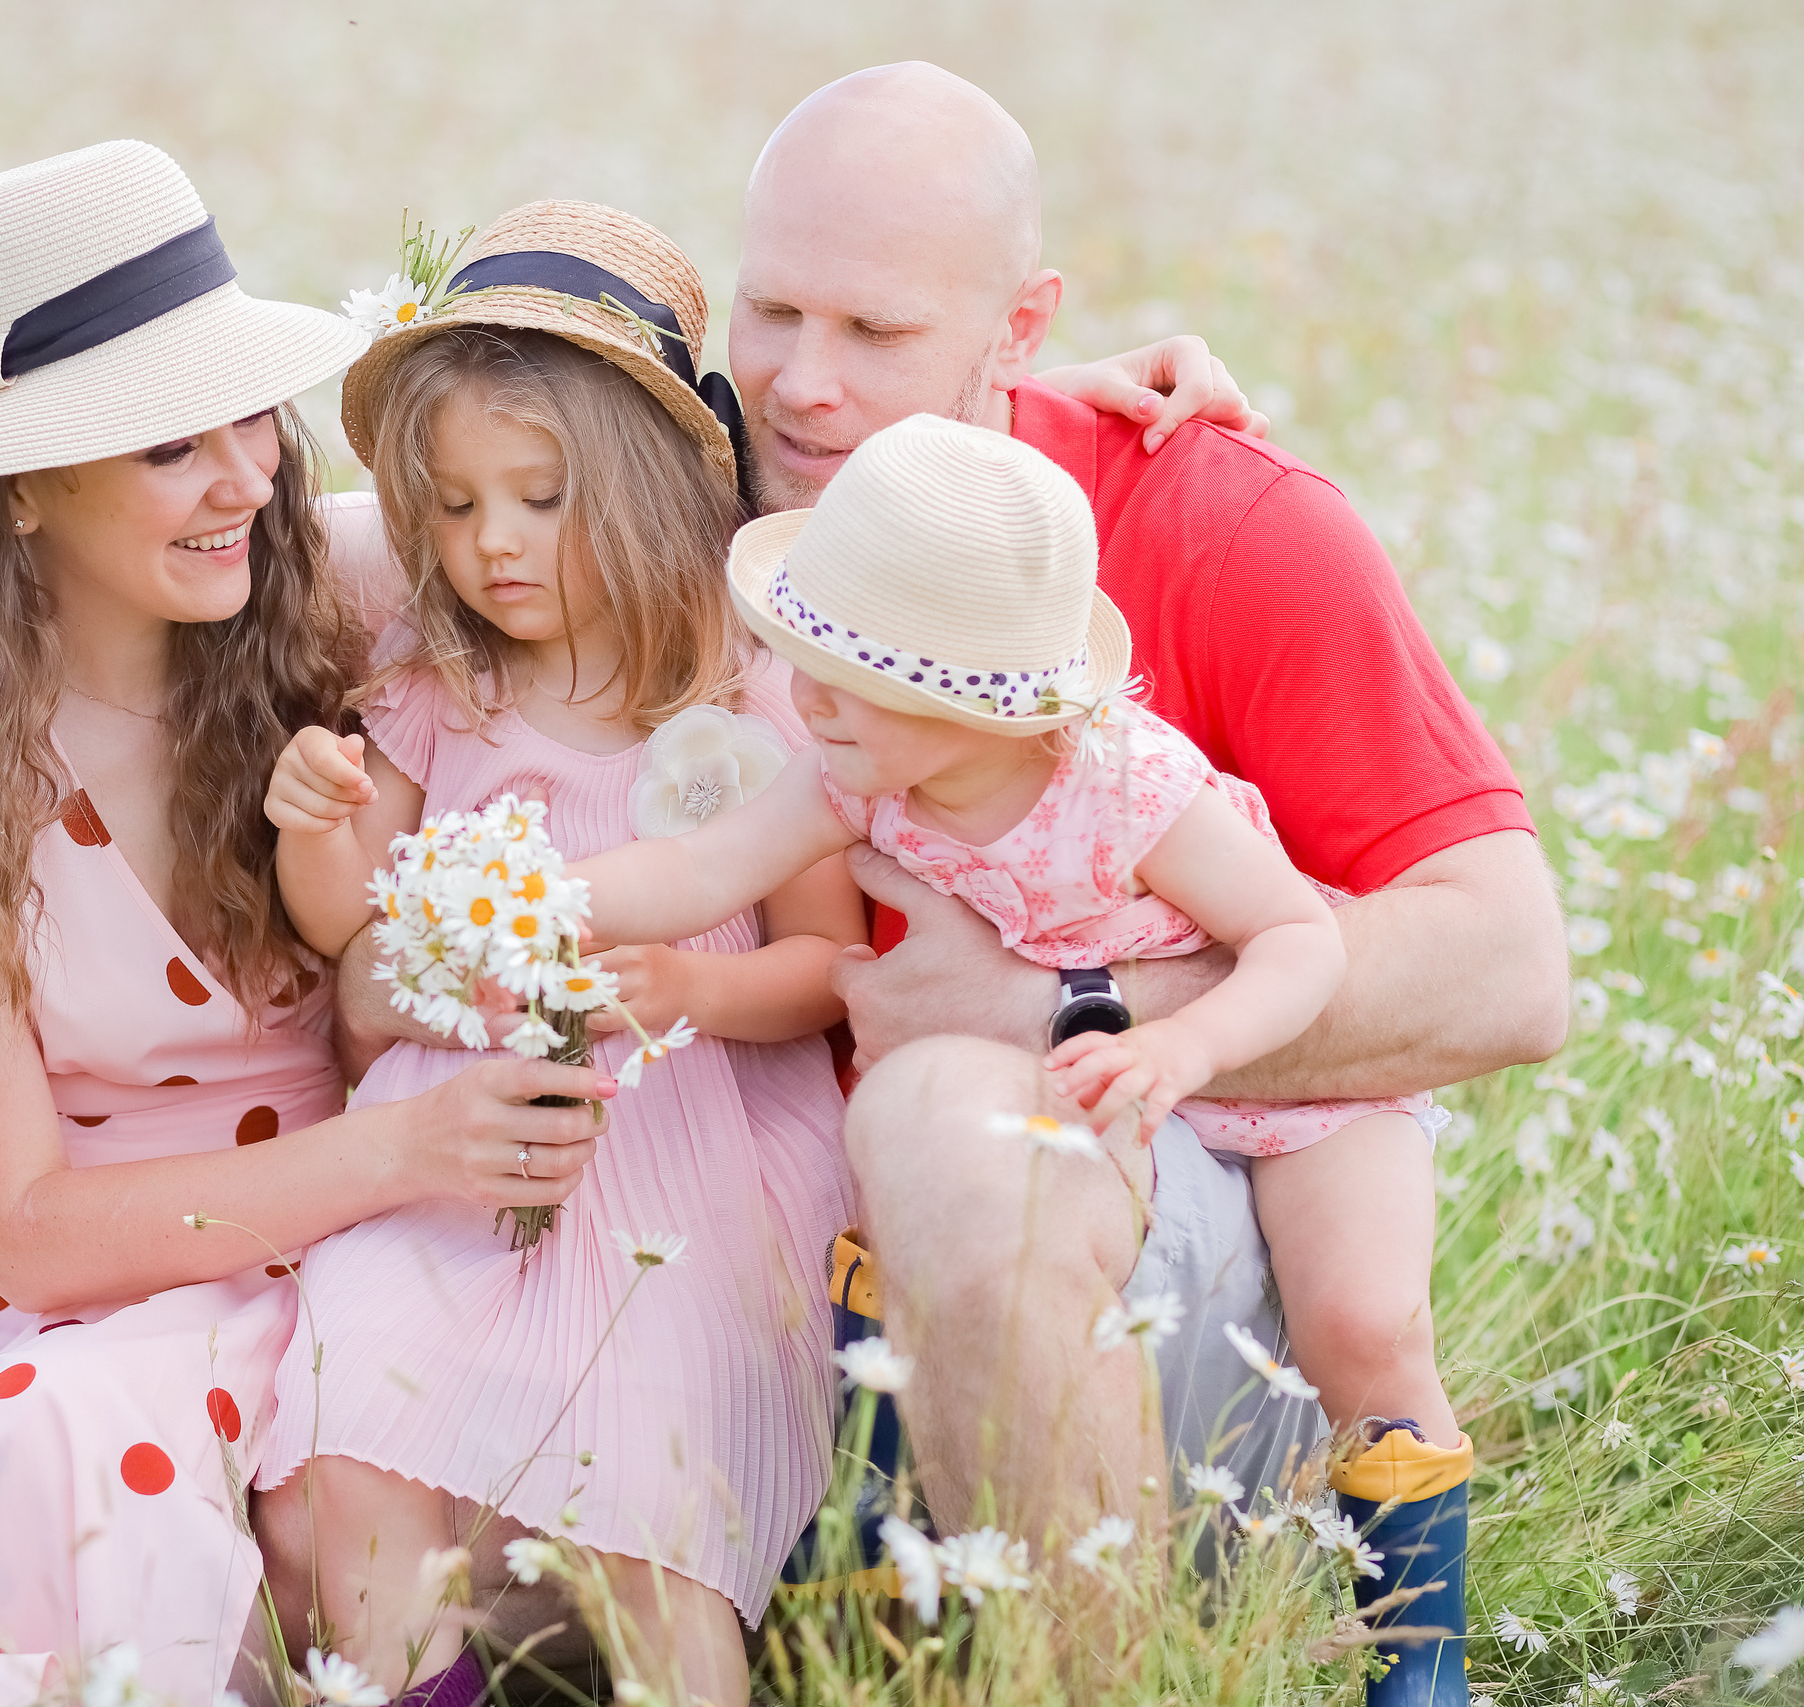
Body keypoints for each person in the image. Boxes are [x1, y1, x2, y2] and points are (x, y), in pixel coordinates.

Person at [0, 141, 615, 1707]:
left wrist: (1041, 402)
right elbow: (26, 1229)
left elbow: (688, 528)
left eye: (250, 416)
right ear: (22, 481)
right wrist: (405, 1150)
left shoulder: (341, 582)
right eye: (170, 444)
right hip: (43, 1285)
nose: (250, 475)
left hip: (358, 1226)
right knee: (55, 1441)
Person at [723, 63, 1568, 1706]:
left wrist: (1062, 1004)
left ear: (1017, 323)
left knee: (950, 1127)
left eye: (879, 335)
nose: (804, 389)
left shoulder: (1220, 520)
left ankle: (1104, 1672)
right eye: (771, 311)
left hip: (1115, 1263)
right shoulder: (700, 476)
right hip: (747, 1282)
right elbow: (393, 514)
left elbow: (1510, 972)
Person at [568, 408, 1464, 1568]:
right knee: (919, 1187)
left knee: (1364, 1321)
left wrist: (1182, 1047)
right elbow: (700, 867)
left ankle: (1416, 1643)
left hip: (1280, 1085)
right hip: (1105, 1094)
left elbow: (1300, 938)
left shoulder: (1128, 786)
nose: (808, 698)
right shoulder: (856, 771)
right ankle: (886, 1522)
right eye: (809, 661)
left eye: (848, 676)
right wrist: (530, 893)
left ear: (982, 705)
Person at [254, 202, 861, 1706]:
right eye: (452, 508)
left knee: (651, 1482)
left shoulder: (748, 695)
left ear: (654, 492)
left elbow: (826, 968)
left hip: (689, 1148)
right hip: (455, 1147)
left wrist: (697, 987)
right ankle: (421, 1682)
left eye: (538, 498)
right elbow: (348, 927)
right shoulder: (436, 687)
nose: (490, 544)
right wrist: (313, 819)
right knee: (342, 1423)